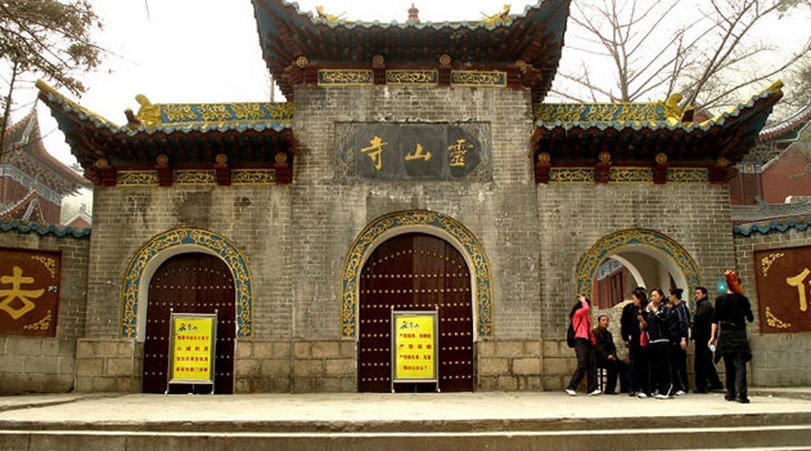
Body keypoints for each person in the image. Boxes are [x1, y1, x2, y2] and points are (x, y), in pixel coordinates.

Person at [709, 270, 755, 404]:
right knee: (740, 365)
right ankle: (742, 394)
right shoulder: (743, 300)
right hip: (739, 334)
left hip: (726, 335)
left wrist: (713, 337)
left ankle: (731, 393)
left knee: (729, 365)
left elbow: (715, 320)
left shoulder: (720, 299)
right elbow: (751, 318)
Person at [566, 295, 600, 396]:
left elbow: (588, 330)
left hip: (588, 341)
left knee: (592, 364)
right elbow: (585, 308)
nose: (588, 308)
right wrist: (584, 300)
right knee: (582, 364)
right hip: (580, 341)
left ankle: (592, 388)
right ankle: (571, 386)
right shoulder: (577, 314)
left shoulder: (586, 316)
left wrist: (593, 341)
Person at [691, 286, 723, 393]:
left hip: (704, 338)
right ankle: (713, 383)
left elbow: (700, 320)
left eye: (698, 293)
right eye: (696, 293)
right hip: (703, 337)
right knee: (704, 362)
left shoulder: (705, 306)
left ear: (704, 294)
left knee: (703, 362)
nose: (696, 295)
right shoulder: (701, 305)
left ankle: (706, 384)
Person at [644, 288, 673, 399]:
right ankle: (655, 389)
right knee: (654, 367)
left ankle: (667, 390)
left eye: (655, 295)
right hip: (653, 341)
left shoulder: (665, 309)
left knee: (664, 366)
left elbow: (664, 320)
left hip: (663, 340)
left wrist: (655, 311)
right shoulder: (649, 310)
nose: (653, 298)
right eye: (651, 296)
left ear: (661, 297)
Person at [621, 287, 650, 398]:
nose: (633, 300)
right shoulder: (629, 309)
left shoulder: (647, 309)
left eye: (635, 298)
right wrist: (626, 338)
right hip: (635, 340)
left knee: (645, 364)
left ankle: (645, 387)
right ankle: (632, 387)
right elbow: (625, 324)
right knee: (633, 364)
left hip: (646, 341)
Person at [592, 314, 629, 394]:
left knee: (623, 365)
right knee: (613, 365)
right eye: (603, 320)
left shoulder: (608, 333)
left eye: (607, 320)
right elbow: (598, 347)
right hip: (599, 357)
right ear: (599, 322)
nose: (606, 322)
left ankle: (624, 388)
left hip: (610, 356)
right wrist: (607, 356)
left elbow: (612, 346)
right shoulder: (595, 332)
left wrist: (613, 355)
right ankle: (609, 389)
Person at [666, 288, 690, 396]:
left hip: (679, 339)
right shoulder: (673, 308)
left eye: (670, 295)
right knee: (674, 364)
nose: (669, 297)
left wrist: (683, 338)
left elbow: (683, 323)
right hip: (672, 339)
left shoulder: (681, 308)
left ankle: (683, 386)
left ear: (674, 296)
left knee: (680, 363)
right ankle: (677, 386)